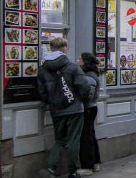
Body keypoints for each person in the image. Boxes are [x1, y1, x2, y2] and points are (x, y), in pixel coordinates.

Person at [37, 38, 91, 178]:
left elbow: (42, 93)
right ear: (64, 49)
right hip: (74, 109)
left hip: (56, 110)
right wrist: (78, 99)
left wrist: (52, 102)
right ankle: (72, 171)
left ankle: (50, 168)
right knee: (74, 140)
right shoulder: (72, 67)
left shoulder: (42, 69)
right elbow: (85, 87)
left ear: (51, 48)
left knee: (60, 140)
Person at [77, 53, 101, 176]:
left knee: (85, 137)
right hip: (91, 108)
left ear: (85, 62)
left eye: (80, 59)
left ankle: (87, 166)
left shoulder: (89, 76)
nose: (77, 60)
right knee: (90, 135)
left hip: (88, 108)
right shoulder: (90, 74)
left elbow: (87, 94)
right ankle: (95, 163)